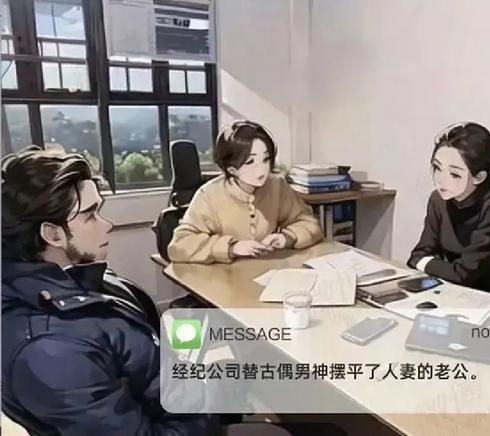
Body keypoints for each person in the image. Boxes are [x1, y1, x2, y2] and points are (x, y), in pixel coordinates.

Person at [0, 149, 300, 435]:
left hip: (169, 392)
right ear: (52, 234)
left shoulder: (77, 275)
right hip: (176, 417)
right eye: (90, 215)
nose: (108, 225)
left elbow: (136, 339)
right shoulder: (50, 352)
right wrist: (206, 406)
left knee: (236, 361)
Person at [407, 122, 490, 299]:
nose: (440, 180)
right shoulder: (439, 199)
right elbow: (417, 255)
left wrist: (429, 264)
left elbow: (464, 274)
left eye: (454, 174)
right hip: (457, 292)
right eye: (437, 168)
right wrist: (436, 266)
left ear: (479, 177)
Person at [168, 120, 323, 264]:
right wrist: (231, 247)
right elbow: (179, 245)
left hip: (267, 272)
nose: (261, 170)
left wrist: (287, 237)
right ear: (231, 169)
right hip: (223, 278)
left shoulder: (277, 186)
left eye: (266, 159)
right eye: (250, 162)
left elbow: (309, 223)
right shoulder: (208, 196)